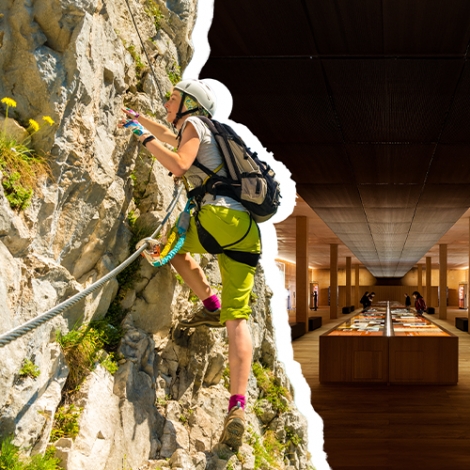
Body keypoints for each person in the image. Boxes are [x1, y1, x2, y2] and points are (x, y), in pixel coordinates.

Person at [119, 79, 261, 451]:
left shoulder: (196, 126)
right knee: (237, 320)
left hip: (215, 217)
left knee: (171, 248)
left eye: (173, 97)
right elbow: (171, 134)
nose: (167, 101)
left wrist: (140, 135)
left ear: (190, 104)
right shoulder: (199, 129)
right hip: (244, 232)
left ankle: (209, 305)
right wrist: (143, 119)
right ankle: (237, 407)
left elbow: (180, 164)